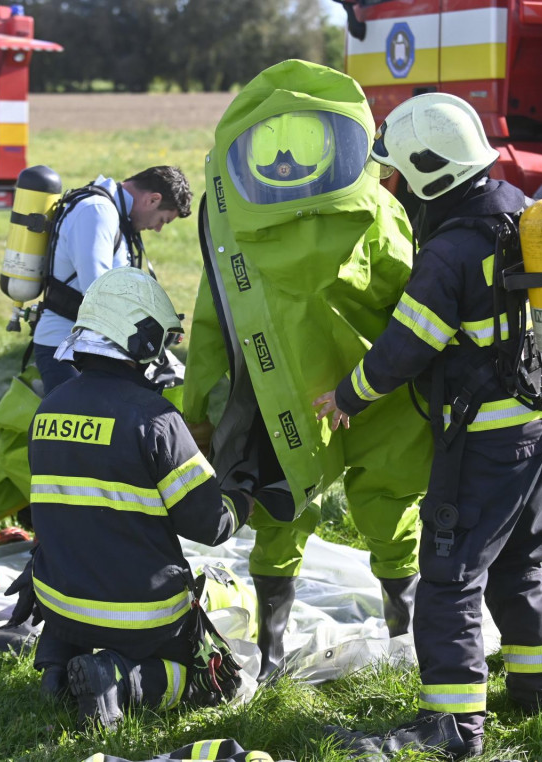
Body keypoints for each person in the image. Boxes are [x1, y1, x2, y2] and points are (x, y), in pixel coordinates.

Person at [314, 92, 542, 759]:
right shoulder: (518, 210)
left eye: (397, 174)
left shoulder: (450, 252)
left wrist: (348, 396)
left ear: (429, 174)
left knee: (450, 577)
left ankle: (452, 727)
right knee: (520, 565)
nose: (393, 187)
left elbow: (405, 348)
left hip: (485, 437)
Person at [182, 60, 433, 682]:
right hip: (380, 389)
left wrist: (196, 416)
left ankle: (269, 651)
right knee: (392, 505)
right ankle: (407, 640)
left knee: (281, 511)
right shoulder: (375, 207)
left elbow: (213, 328)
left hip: (284, 396)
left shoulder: (229, 221)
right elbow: (412, 296)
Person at [10, 267, 253, 729]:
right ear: (140, 342)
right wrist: (247, 496)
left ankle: (57, 668)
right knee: (211, 678)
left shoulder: (48, 409)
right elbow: (211, 525)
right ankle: (120, 681)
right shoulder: (157, 419)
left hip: (59, 602)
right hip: (141, 615)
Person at [32, 165, 192, 393]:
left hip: (89, 349)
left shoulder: (115, 215)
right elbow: (98, 293)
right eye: (163, 220)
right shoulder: (97, 212)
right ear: (153, 200)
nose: (157, 228)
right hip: (67, 350)